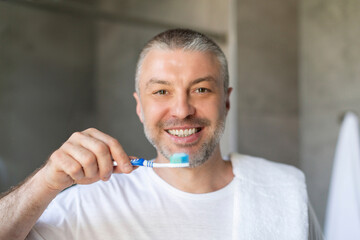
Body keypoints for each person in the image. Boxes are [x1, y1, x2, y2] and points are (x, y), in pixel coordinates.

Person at [0, 28, 309, 240]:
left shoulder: (284, 189)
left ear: (226, 100)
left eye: (200, 89)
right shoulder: (91, 203)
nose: (182, 110)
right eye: (161, 91)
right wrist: (46, 182)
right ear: (139, 107)